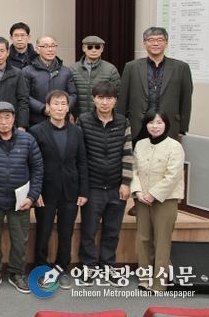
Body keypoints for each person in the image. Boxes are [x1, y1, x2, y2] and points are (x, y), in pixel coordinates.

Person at [0, 102, 43, 294]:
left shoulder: (28, 140)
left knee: (20, 241)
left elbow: (38, 170)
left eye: (7, 117)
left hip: (20, 202)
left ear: (14, 118)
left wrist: (32, 196)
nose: (3, 122)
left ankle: (16, 273)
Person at [29, 90, 89, 289]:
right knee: (43, 232)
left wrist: (83, 191)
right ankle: (40, 268)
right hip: (45, 190)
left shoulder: (77, 131)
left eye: (63, 104)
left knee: (66, 233)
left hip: (70, 190)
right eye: (55, 104)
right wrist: (35, 192)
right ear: (48, 107)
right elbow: (32, 164)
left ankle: (62, 268)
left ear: (68, 107)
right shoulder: (36, 131)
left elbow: (82, 162)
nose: (60, 108)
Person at [77, 82, 133, 285]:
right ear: (94, 99)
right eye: (100, 98)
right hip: (92, 187)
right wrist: (82, 188)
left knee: (112, 231)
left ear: (115, 100)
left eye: (109, 98)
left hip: (116, 186)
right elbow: (80, 156)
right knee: (89, 231)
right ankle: (89, 267)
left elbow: (128, 153)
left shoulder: (123, 122)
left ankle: (108, 267)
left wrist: (126, 182)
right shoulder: (83, 121)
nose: (104, 102)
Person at [131, 110, 185, 293]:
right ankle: (144, 279)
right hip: (142, 199)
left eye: (159, 122)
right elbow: (134, 170)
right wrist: (138, 191)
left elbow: (173, 175)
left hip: (165, 200)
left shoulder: (175, 146)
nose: (155, 126)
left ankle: (159, 283)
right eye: (151, 122)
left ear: (166, 125)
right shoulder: (140, 144)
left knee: (162, 241)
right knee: (143, 239)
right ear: (146, 125)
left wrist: (153, 194)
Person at [118, 27, 193, 140]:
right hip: (138, 125)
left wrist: (183, 128)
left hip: (169, 125)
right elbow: (123, 99)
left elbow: (186, 99)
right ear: (144, 44)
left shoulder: (181, 68)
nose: (156, 43)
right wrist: (120, 125)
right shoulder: (131, 67)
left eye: (160, 40)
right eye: (151, 40)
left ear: (166, 43)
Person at [22, 35, 77, 126]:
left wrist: (64, 108)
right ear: (37, 49)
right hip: (37, 120)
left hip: (61, 120)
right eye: (46, 46)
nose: (50, 49)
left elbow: (73, 94)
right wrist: (43, 108)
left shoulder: (66, 71)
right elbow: (25, 96)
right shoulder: (27, 71)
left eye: (53, 46)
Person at [70, 35, 120, 118]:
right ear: (83, 48)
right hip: (78, 117)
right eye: (90, 47)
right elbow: (69, 95)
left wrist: (112, 116)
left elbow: (117, 95)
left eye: (97, 47)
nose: (93, 50)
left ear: (102, 49)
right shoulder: (73, 69)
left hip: (103, 117)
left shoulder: (111, 69)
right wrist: (69, 113)